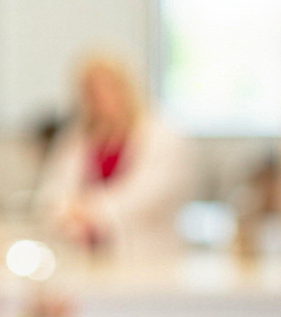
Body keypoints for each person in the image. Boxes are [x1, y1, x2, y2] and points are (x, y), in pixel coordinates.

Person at [34, 54, 193, 256]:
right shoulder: (76, 135)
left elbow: (148, 195)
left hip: (147, 251)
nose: (98, 97)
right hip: (85, 251)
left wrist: (90, 211)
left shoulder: (162, 135)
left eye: (107, 88)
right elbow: (53, 188)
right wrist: (66, 211)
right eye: (90, 90)